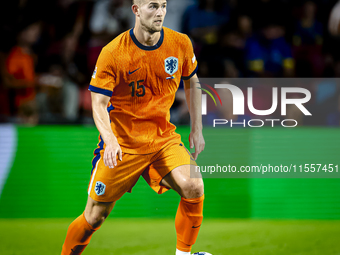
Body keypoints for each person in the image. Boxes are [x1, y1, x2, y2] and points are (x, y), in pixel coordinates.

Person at [61, 1, 210, 255]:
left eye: (163, 5)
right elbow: (99, 103)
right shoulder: (114, 52)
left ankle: (183, 254)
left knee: (194, 186)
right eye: (152, 6)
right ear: (136, 10)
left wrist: (197, 127)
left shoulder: (180, 43)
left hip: (162, 140)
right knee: (94, 217)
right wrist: (109, 139)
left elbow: (192, 82)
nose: (160, 12)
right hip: (123, 144)